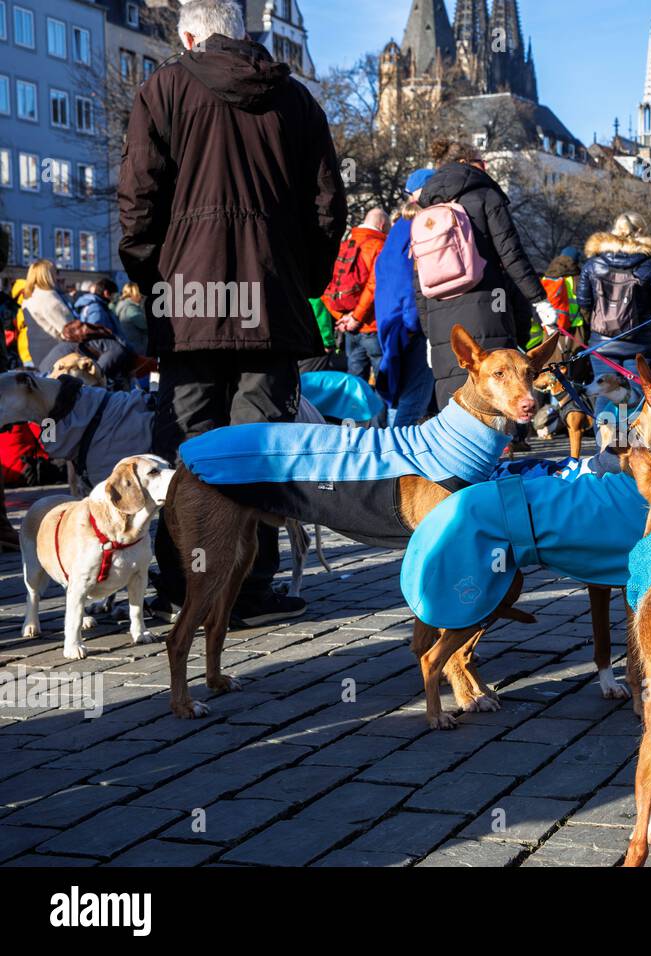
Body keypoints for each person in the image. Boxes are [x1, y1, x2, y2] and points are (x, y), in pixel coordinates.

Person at [119, 0, 347, 625]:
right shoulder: (294, 100)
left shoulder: (163, 88)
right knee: (260, 444)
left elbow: (138, 193)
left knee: (186, 445)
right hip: (269, 299)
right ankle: (248, 585)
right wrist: (306, 279)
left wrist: (150, 277)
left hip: (186, 298)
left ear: (189, 35)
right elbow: (328, 204)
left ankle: (183, 583)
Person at [414, 141, 555, 410]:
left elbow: (419, 281)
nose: (485, 166)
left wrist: (429, 335)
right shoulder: (485, 196)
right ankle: (500, 452)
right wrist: (539, 300)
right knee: (501, 393)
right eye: (481, 160)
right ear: (467, 163)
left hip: (440, 316)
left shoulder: (426, 211)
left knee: (454, 399)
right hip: (488, 307)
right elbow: (511, 253)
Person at [577, 212, 651, 423]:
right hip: (640, 344)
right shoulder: (648, 263)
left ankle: (607, 449)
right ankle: (638, 448)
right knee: (641, 396)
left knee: (603, 394)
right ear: (640, 232)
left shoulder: (593, 263)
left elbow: (583, 303)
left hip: (602, 344)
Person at [375, 169, 438, 427]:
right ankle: (398, 462)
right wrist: (417, 324)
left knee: (401, 400)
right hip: (412, 327)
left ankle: (391, 455)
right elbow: (407, 281)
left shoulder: (396, 232)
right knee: (414, 402)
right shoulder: (418, 228)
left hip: (393, 326)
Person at [328, 208, 390, 382]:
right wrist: (357, 317)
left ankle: (357, 409)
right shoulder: (379, 246)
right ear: (383, 225)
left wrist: (342, 317)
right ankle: (382, 410)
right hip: (371, 325)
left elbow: (327, 287)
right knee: (384, 380)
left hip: (348, 327)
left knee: (355, 380)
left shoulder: (343, 245)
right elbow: (374, 286)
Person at [18, 260, 78, 370]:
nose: (58, 276)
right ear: (48, 275)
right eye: (56, 271)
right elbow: (70, 329)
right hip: (56, 353)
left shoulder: (29, 298)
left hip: (37, 350)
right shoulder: (48, 297)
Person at [115, 283, 149, 356]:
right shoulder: (130, 308)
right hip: (138, 347)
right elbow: (145, 324)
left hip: (130, 345)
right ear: (135, 293)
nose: (141, 296)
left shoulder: (123, 305)